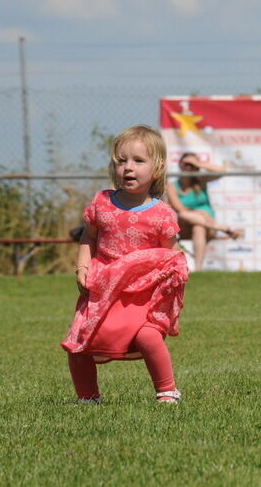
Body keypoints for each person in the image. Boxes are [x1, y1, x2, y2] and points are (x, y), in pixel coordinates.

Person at [61, 125, 189, 404]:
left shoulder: (161, 214)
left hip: (142, 295)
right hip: (102, 289)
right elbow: (88, 237)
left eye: (138, 161)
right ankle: (87, 398)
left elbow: (172, 256)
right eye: (122, 161)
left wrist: (175, 279)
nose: (128, 167)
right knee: (79, 342)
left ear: (157, 168)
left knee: (148, 337)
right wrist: (83, 268)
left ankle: (167, 391)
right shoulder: (102, 203)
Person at [165, 152, 243, 272]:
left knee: (198, 228)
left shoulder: (201, 180)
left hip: (207, 227)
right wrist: (199, 212)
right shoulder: (172, 186)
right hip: (186, 225)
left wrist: (199, 164)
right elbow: (179, 209)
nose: (188, 167)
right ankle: (223, 227)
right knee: (184, 214)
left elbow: (222, 171)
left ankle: (198, 269)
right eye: (186, 164)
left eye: (192, 165)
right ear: (180, 165)